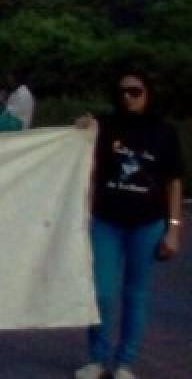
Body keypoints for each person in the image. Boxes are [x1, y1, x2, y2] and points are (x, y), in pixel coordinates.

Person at [74, 72, 183, 379]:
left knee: (136, 294)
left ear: (148, 93)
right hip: (107, 221)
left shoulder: (164, 132)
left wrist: (174, 227)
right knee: (102, 292)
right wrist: (80, 130)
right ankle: (97, 358)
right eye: (122, 92)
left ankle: (124, 363)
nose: (128, 97)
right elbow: (86, 161)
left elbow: (173, 181)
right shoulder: (105, 127)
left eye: (135, 91)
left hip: (147, 224)